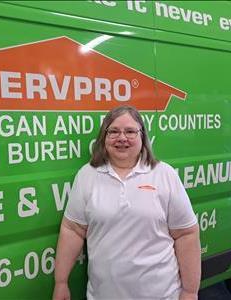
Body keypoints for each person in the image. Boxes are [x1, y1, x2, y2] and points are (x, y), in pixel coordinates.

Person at [53, 105, 201, 300]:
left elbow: (186, 234)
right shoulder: (87, 175)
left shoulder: (164, 175)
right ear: (104, 137)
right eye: (113, 131)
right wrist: (61, 282)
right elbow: (73, 230)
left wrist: (190, 292)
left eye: (130, 131)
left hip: (162, 295)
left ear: (142, 136)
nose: (122, 137)